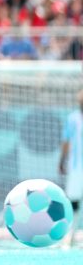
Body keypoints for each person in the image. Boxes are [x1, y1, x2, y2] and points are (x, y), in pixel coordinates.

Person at [59, 90, 83, 247]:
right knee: (73, 201)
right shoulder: (73, 118)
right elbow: (66, 140)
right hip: (77, 168)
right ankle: (71, 235)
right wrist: (62, 160)